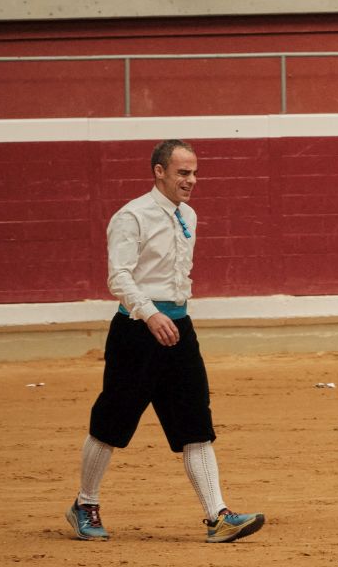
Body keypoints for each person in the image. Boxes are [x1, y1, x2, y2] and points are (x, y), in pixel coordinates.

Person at [67, 141, 267, 545]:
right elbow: (118, 277)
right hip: (136, 333)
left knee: (196, 425)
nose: (191, 181)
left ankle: (218, 516)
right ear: (159, 172)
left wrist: (170, 313)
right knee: (111, 424)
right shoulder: (131, 216)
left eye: (194, 173)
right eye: (182, 173)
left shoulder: (187, 214)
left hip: (179, 328)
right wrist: (149, 312)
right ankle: (84, 504)